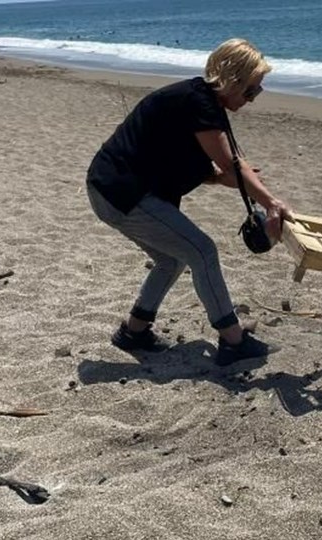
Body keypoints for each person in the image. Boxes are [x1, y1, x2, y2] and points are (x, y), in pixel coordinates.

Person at [85, 38, 291, 367]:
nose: (252, 99)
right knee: (202, 251)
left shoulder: (199, 102)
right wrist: (271, 203)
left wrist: (220, 179)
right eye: (250, 90)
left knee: (172, 260)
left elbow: (194, 162)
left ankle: (134, 331)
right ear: (232, 80)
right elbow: (232, 164)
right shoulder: (199, 103)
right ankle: (233, 341)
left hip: (112, 188)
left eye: (258, 92)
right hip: (122, 192)